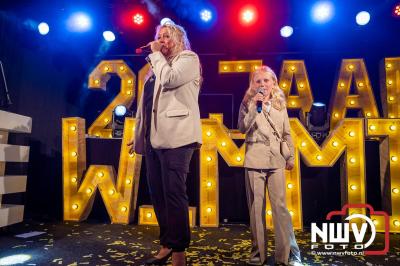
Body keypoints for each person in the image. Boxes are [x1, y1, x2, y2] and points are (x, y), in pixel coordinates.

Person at [128, 21, 202, 266]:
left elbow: (170, 80)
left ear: (179, 39)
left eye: (167, 36)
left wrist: (155, 55)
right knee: (158, 195)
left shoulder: (188, 59)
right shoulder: (155, 69)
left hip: (178, 138)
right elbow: (149, 108)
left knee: (173, 193)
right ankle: (167, 243)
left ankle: (179, 250)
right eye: (159, 36)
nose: (162, 41)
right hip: (154, 139)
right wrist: (140, 135)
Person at [237, 66, 302, 266]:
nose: (262, 84)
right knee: (256, 211)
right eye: (258, 81)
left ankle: (287, 256)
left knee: (280, 208)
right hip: (254, 159)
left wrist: (290, 156)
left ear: (273, 83)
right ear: (253, 84)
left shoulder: (280, 104)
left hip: (276, 160)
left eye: (266, 80)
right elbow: (242, 128)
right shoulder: (248, 102)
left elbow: (286, 133)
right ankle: (258, 256)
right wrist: (255, 109)